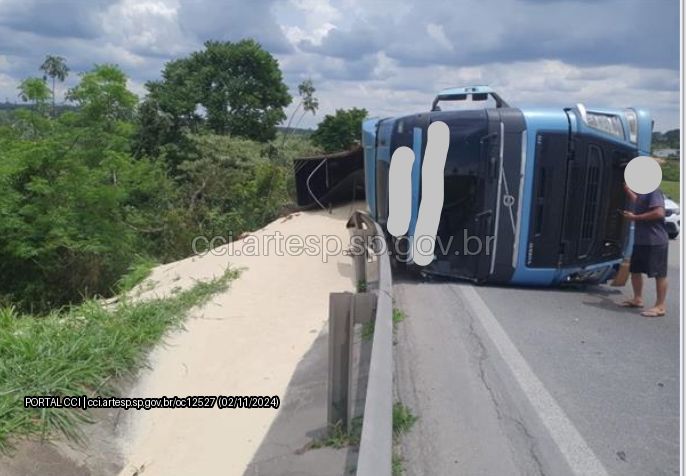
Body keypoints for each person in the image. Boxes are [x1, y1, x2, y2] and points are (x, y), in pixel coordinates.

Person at [619, 185, 669, 317]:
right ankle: (637, 299)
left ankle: (660, 306)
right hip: (641, 240)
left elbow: (659, 212)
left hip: (655, 240)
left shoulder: (654, 190)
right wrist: (627, 190)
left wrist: (635, 217)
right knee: (635, 270)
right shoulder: (643, 193)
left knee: (659, 273)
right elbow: (639, 202)